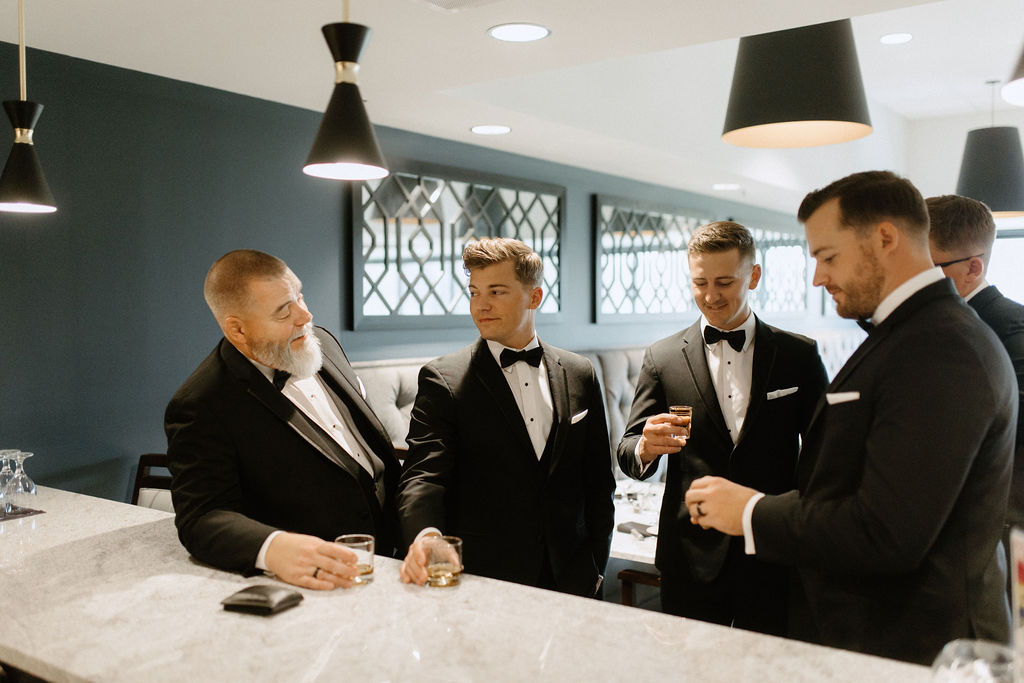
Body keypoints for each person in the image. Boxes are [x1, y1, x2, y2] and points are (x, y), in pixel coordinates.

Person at [685, 171, 1015, 665]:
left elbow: (886, 532)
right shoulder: (908, 334)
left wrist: (751, 511)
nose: (817, 277)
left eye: (827, 256)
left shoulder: (941, 348)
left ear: (884, 238)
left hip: (918, 648)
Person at [616, 220, 827, 635]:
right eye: (700, 283)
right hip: (689, 555)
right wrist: (646, 447)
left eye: (725, 282)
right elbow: (627, 451)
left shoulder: (797, 355)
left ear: (754, 276)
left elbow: (824, 450)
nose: (710, 296)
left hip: (773, 548)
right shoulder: (662, 358)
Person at [165, 249, 401, 590]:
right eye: (282, 312)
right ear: (238, 330)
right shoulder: (201, 404)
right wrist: (273, 547)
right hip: (321, 581)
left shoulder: (324, 344)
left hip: (399, 558)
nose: (304, 315)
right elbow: (203, 517)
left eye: (300, 296)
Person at [397, 237, 615, 597]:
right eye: (473, 292)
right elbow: (423, 476)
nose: (481, 305)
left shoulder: (580, 372)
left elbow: (598, 483)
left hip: (574, 578)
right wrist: (427, 535)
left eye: (496, 292)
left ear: (534, 297)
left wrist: (595, 567)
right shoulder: (443, 379)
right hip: (484, 579)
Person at [927, 194, 1024, 537]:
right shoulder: (925, 322)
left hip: (995, 517)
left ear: (972, 267)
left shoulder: (1013, 326)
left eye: (930, 267)